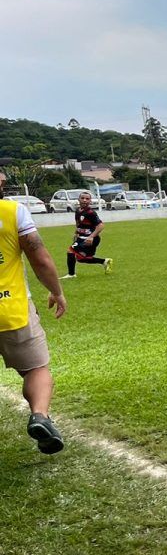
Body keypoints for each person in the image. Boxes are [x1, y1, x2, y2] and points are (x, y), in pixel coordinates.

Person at [0, 168, 68, 454]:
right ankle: (40, 416)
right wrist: (57, 290)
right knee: (36, 368)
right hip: (11, 308)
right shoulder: (13, 212)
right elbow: (39, 258)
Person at [62, 191, 112, 277]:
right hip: (81, 237)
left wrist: (91, 237)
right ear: (79, 200)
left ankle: (71, 274)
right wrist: (76, 233)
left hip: (90, 238)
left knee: (70, 251)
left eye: (87, 199)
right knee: (81, 259)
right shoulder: (78, 211)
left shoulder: (90, 213)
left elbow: (100, 225)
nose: (84, 200)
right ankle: (104, 261)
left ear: (90, 201)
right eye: (82, 198)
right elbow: (78, 223)